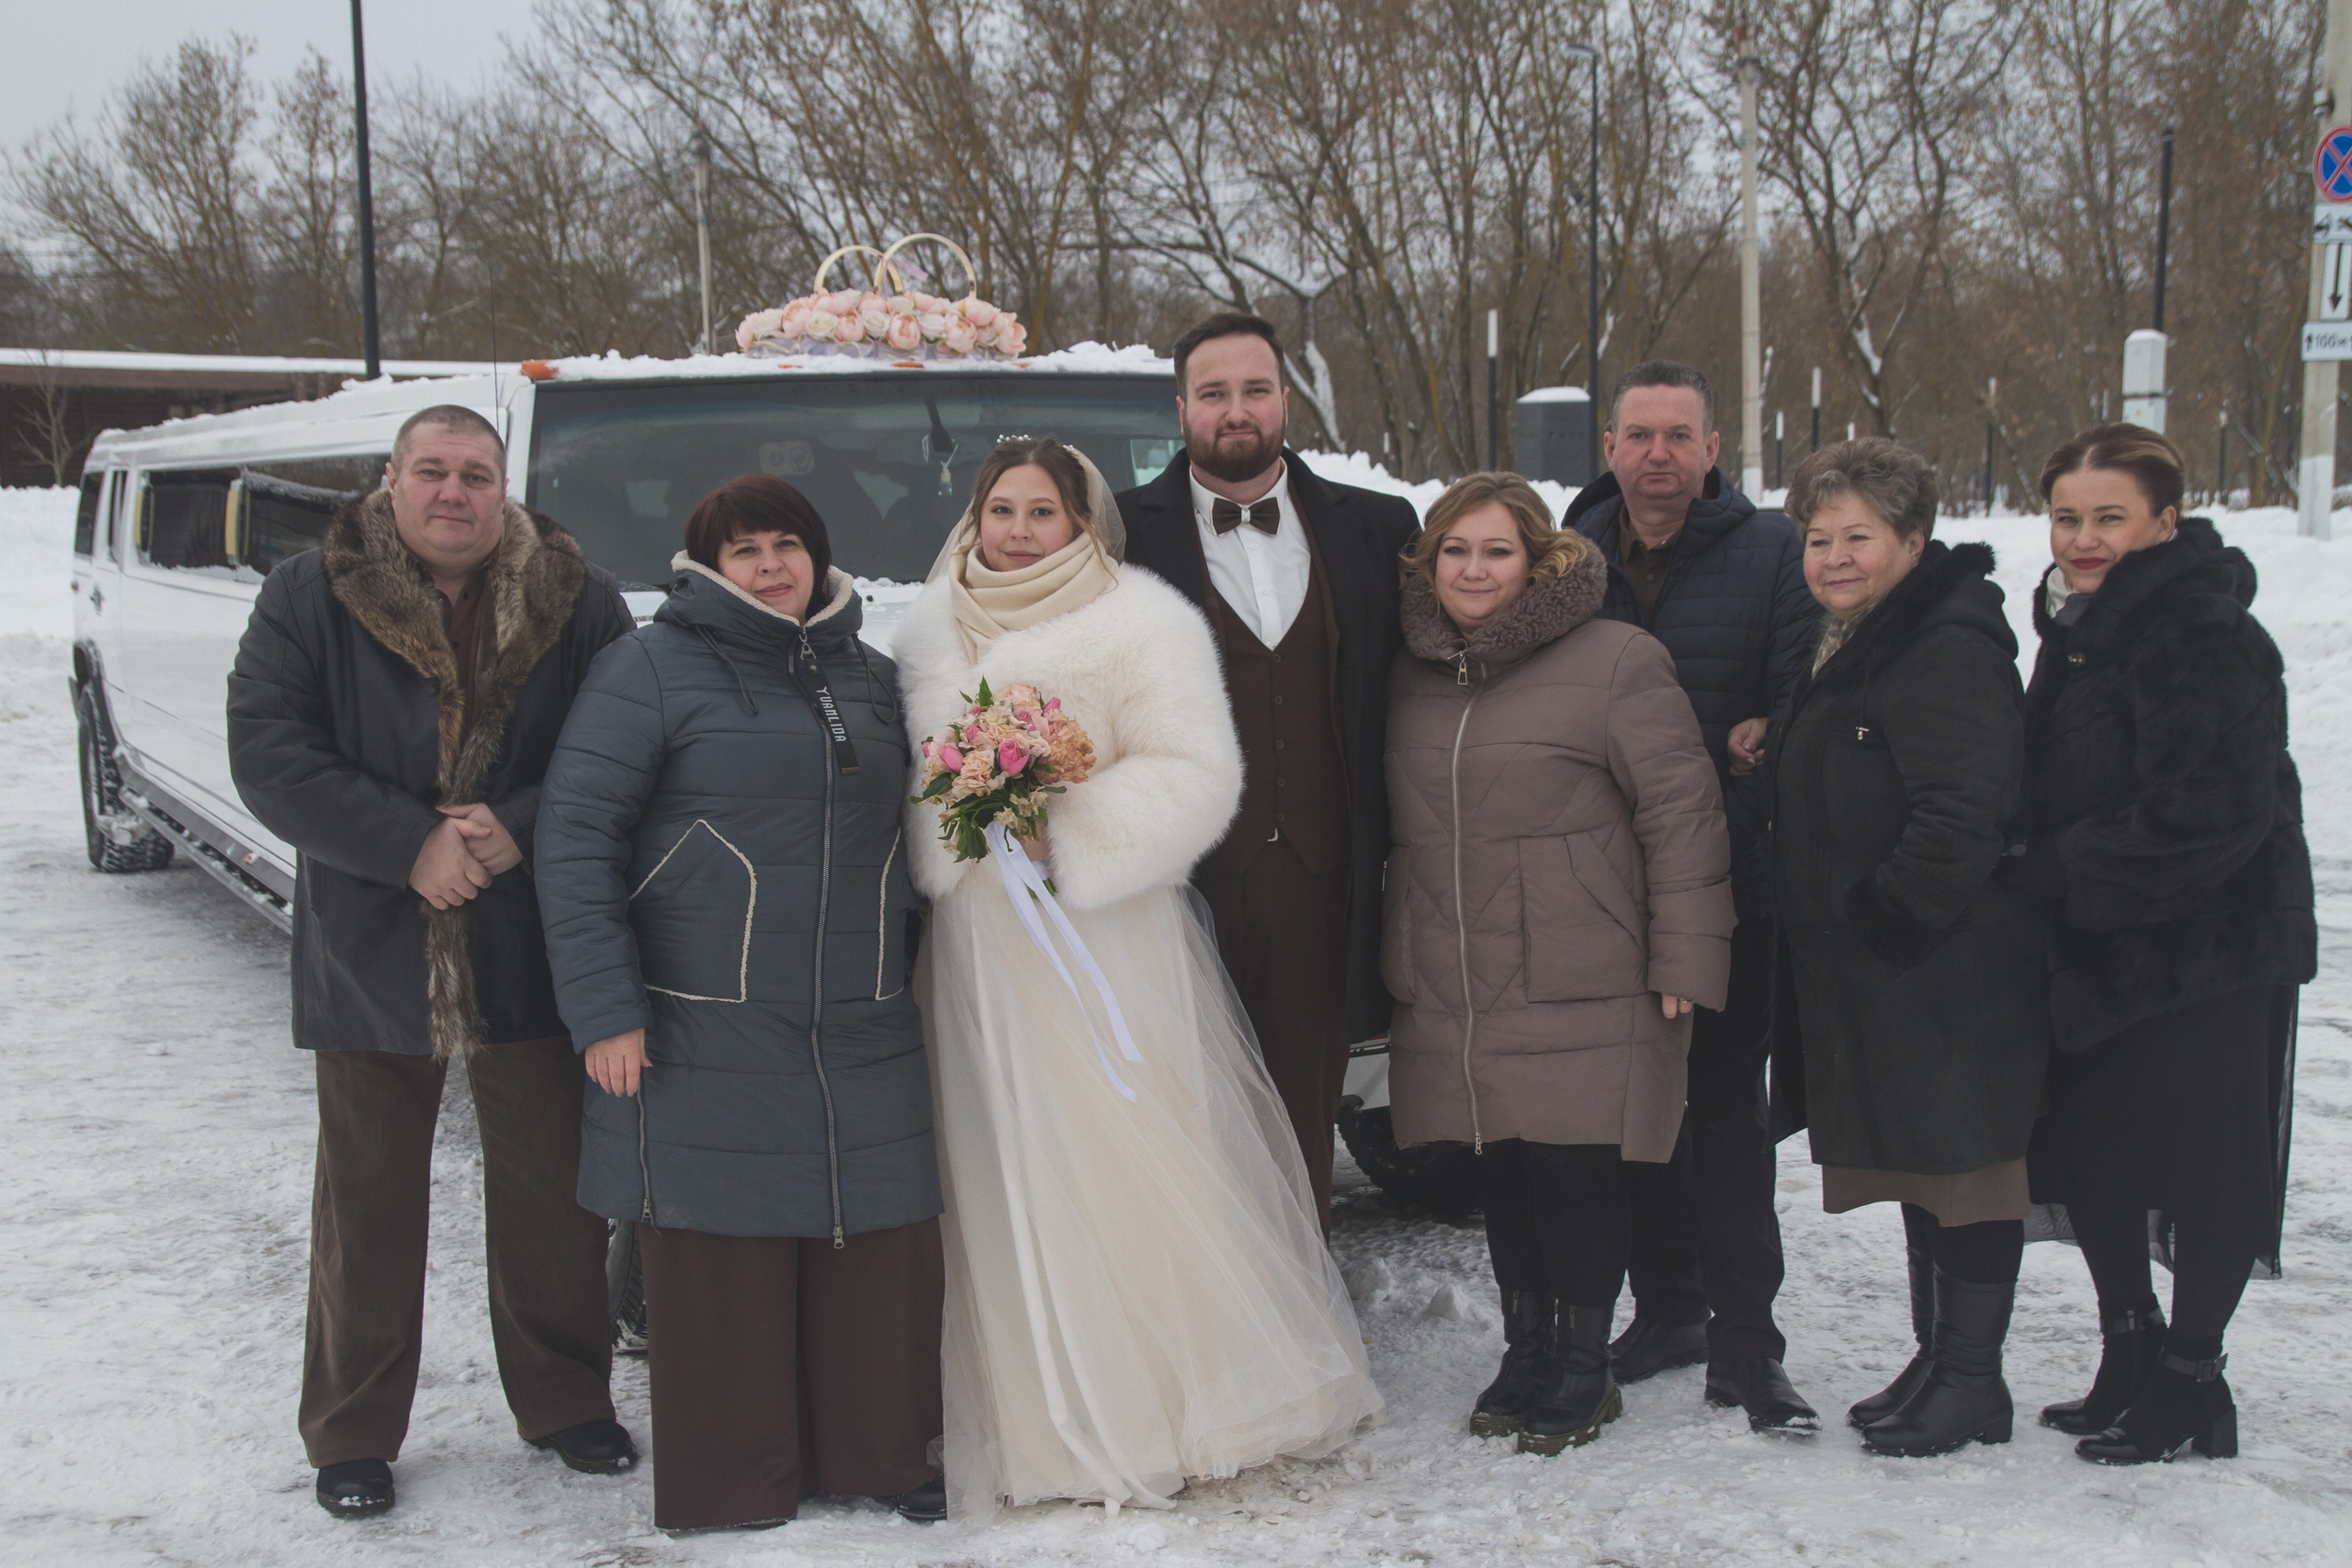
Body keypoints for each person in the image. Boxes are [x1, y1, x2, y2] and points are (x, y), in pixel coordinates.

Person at [897, 436, 1384, 1518]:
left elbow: (1195, 772)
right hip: (981, 939)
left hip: (1104, 930)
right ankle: (1041, 1413)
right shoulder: (931, 628)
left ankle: (1171, 1401)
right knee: (1005, 1157)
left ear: (1082, 521)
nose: (1018, 532)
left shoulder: (1143, 620)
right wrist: (965, 826)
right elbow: (920, 776)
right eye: (1001, 510)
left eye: (1042, 511)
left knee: (1122, 1147)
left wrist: (1063, 833)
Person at [225, 405, 637, 1517]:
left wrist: (521, 825)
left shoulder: (580, 599)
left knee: (553, 1190)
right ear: (391, 479)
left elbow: (621, 743)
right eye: (432, 471)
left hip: (530, 934)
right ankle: (352, 1432)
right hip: (372, 935)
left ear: (505, 486)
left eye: (476, 474)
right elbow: (269, 750)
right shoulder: (310, 593)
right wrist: (409, 844)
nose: (454, 492)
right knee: (366, 1198)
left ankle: (567, 1401)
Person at [533, 476, 945, 1531]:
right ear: (707, 568)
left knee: (873, 1237)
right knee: (725, 1251)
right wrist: (604, 1009)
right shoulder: (647, 670)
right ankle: (736, 1478)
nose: (769, 566)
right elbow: (574, 840)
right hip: (701, 1017)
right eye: (743, 550)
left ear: (819, 555)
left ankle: (879, 1456)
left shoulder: (872, 676)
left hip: (861, 1013)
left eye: (786, 545)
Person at [1385, 472, 1734, 1454]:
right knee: (1504, 1167)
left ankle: (1585, 1363)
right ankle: (1527, 1350)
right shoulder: (1411, 671)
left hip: (1588, 965)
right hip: (1460, 970)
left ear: (1539, 562)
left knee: (1575, 1170)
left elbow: (1682, 814)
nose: (1474, 570)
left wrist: (1686, 953)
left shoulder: (1615, 659)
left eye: (1497, 551)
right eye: (1455, 550)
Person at [2012, 424, 2312, 1465]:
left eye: (2109, 516)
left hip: (2209, 948)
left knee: (2202, 1165)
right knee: (2101, 1153)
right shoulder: (2078, 625)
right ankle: (2131, 1349)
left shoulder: (2201, 632)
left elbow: (2216, 811)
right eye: (2066, 516)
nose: (2082, 537)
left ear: (2165, 521)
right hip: (2105, 942)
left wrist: (2056, 866)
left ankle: (2191, 1376)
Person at [1760, 439, 2049, 1458]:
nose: (1835, 557)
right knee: (1927, 1172)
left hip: (1946, 969)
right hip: (1891, 968)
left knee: (1967, 1175)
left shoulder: (1944, 645)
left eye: (1860, 537)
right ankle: (1941, 1363)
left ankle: (1972, 1379)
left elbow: (1962, 816)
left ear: (1914, 541)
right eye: (1819, 538)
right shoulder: (1860, 636)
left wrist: (1882, 924)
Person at [1114, 312, 1420, 1223]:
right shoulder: (1116, 533)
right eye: (1213, 393)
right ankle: (1199, 1296)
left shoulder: (1377, 528)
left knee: (1300, 1109)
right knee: (1178, 1112)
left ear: (1285, 400)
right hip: (1175, 884)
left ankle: (1299, 1284)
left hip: (1324, 879)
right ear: (1181, 410)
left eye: (1254, 389)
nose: (1236, 410)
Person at [1563, 360, 1818, 1428]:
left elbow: (1803, 694)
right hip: (1605, 893)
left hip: (1728, 888)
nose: (1657, 454)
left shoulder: (1773, 554)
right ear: (1610, 448)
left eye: (1679, 436)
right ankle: (1669, 1307)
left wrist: (1762, 758)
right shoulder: (1571, 553)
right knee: (1634, 1117)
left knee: (1721, 1115)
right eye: (1638, 435)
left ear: (1713, 450)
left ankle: (1748, 1344)